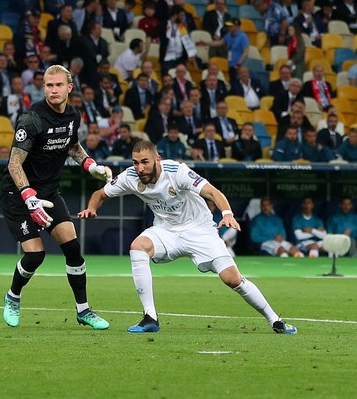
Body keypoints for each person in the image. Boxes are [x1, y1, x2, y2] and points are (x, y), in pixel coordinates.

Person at [77, 141, 297, 334]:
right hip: (166, 231)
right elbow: (100, 194)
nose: (139, 168)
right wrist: (91, 208)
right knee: (138, 247)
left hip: (200, 231)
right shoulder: (130, 176)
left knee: (232, 279)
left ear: (157, 159)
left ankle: (275, 320)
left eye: (145, 161)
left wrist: (227, 214)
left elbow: (213, 192)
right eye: (135, 162)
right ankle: (150, 317)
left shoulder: (177, 171)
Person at [0, 64, 112, 330]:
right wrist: (28, 198)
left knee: (73, 249)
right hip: (18, 194)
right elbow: (14, 164)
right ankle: (13, 296)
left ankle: (83, 311)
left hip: (49, 192)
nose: (53, 90)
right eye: (49, 85)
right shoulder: (32, 119)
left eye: (59, 85)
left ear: (69, 87)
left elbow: (72, 145)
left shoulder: (73, 115)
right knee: (35, 256)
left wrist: (90, 165)